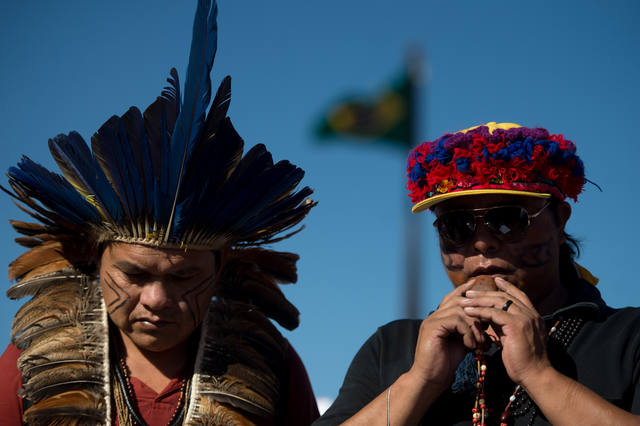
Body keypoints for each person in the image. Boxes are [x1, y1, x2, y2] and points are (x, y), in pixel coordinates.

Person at [0, 1, 319, 424]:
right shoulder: (35, 359)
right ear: (97, 259)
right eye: (134, 275)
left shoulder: (268, 363)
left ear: (220, 266)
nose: (157, 300)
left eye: (183, 276)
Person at [314, 122, 640, 425]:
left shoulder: (629, 337)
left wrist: (541, 376)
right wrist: (420, 381)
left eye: (508, 220)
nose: (482, 242)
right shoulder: (392, 346)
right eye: (457, 226)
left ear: (560, 220)